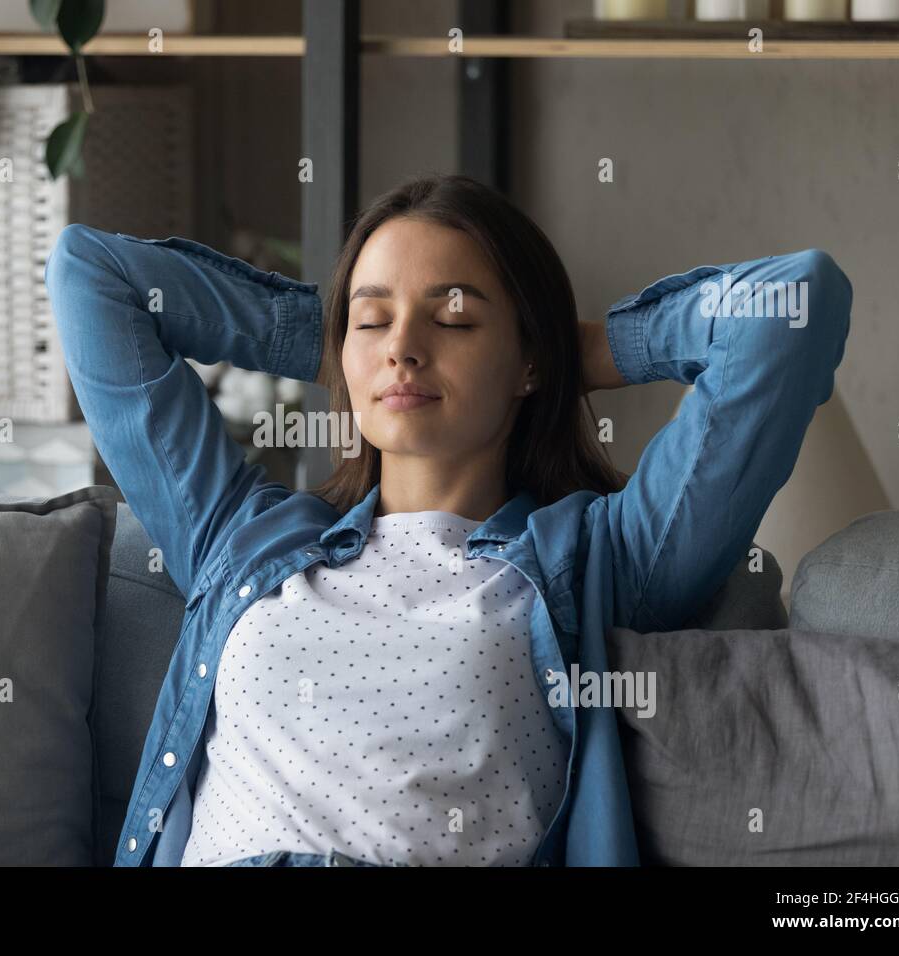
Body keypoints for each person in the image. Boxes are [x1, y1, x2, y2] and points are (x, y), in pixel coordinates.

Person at [44, 172, 852, 867]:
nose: (404, 348)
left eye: (455, 318)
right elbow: (93, 274)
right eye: (373, 319)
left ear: (527, 360)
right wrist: (334, 343)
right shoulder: (239, 536)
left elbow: (791, 306)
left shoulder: (602, 560)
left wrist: (587, 353)